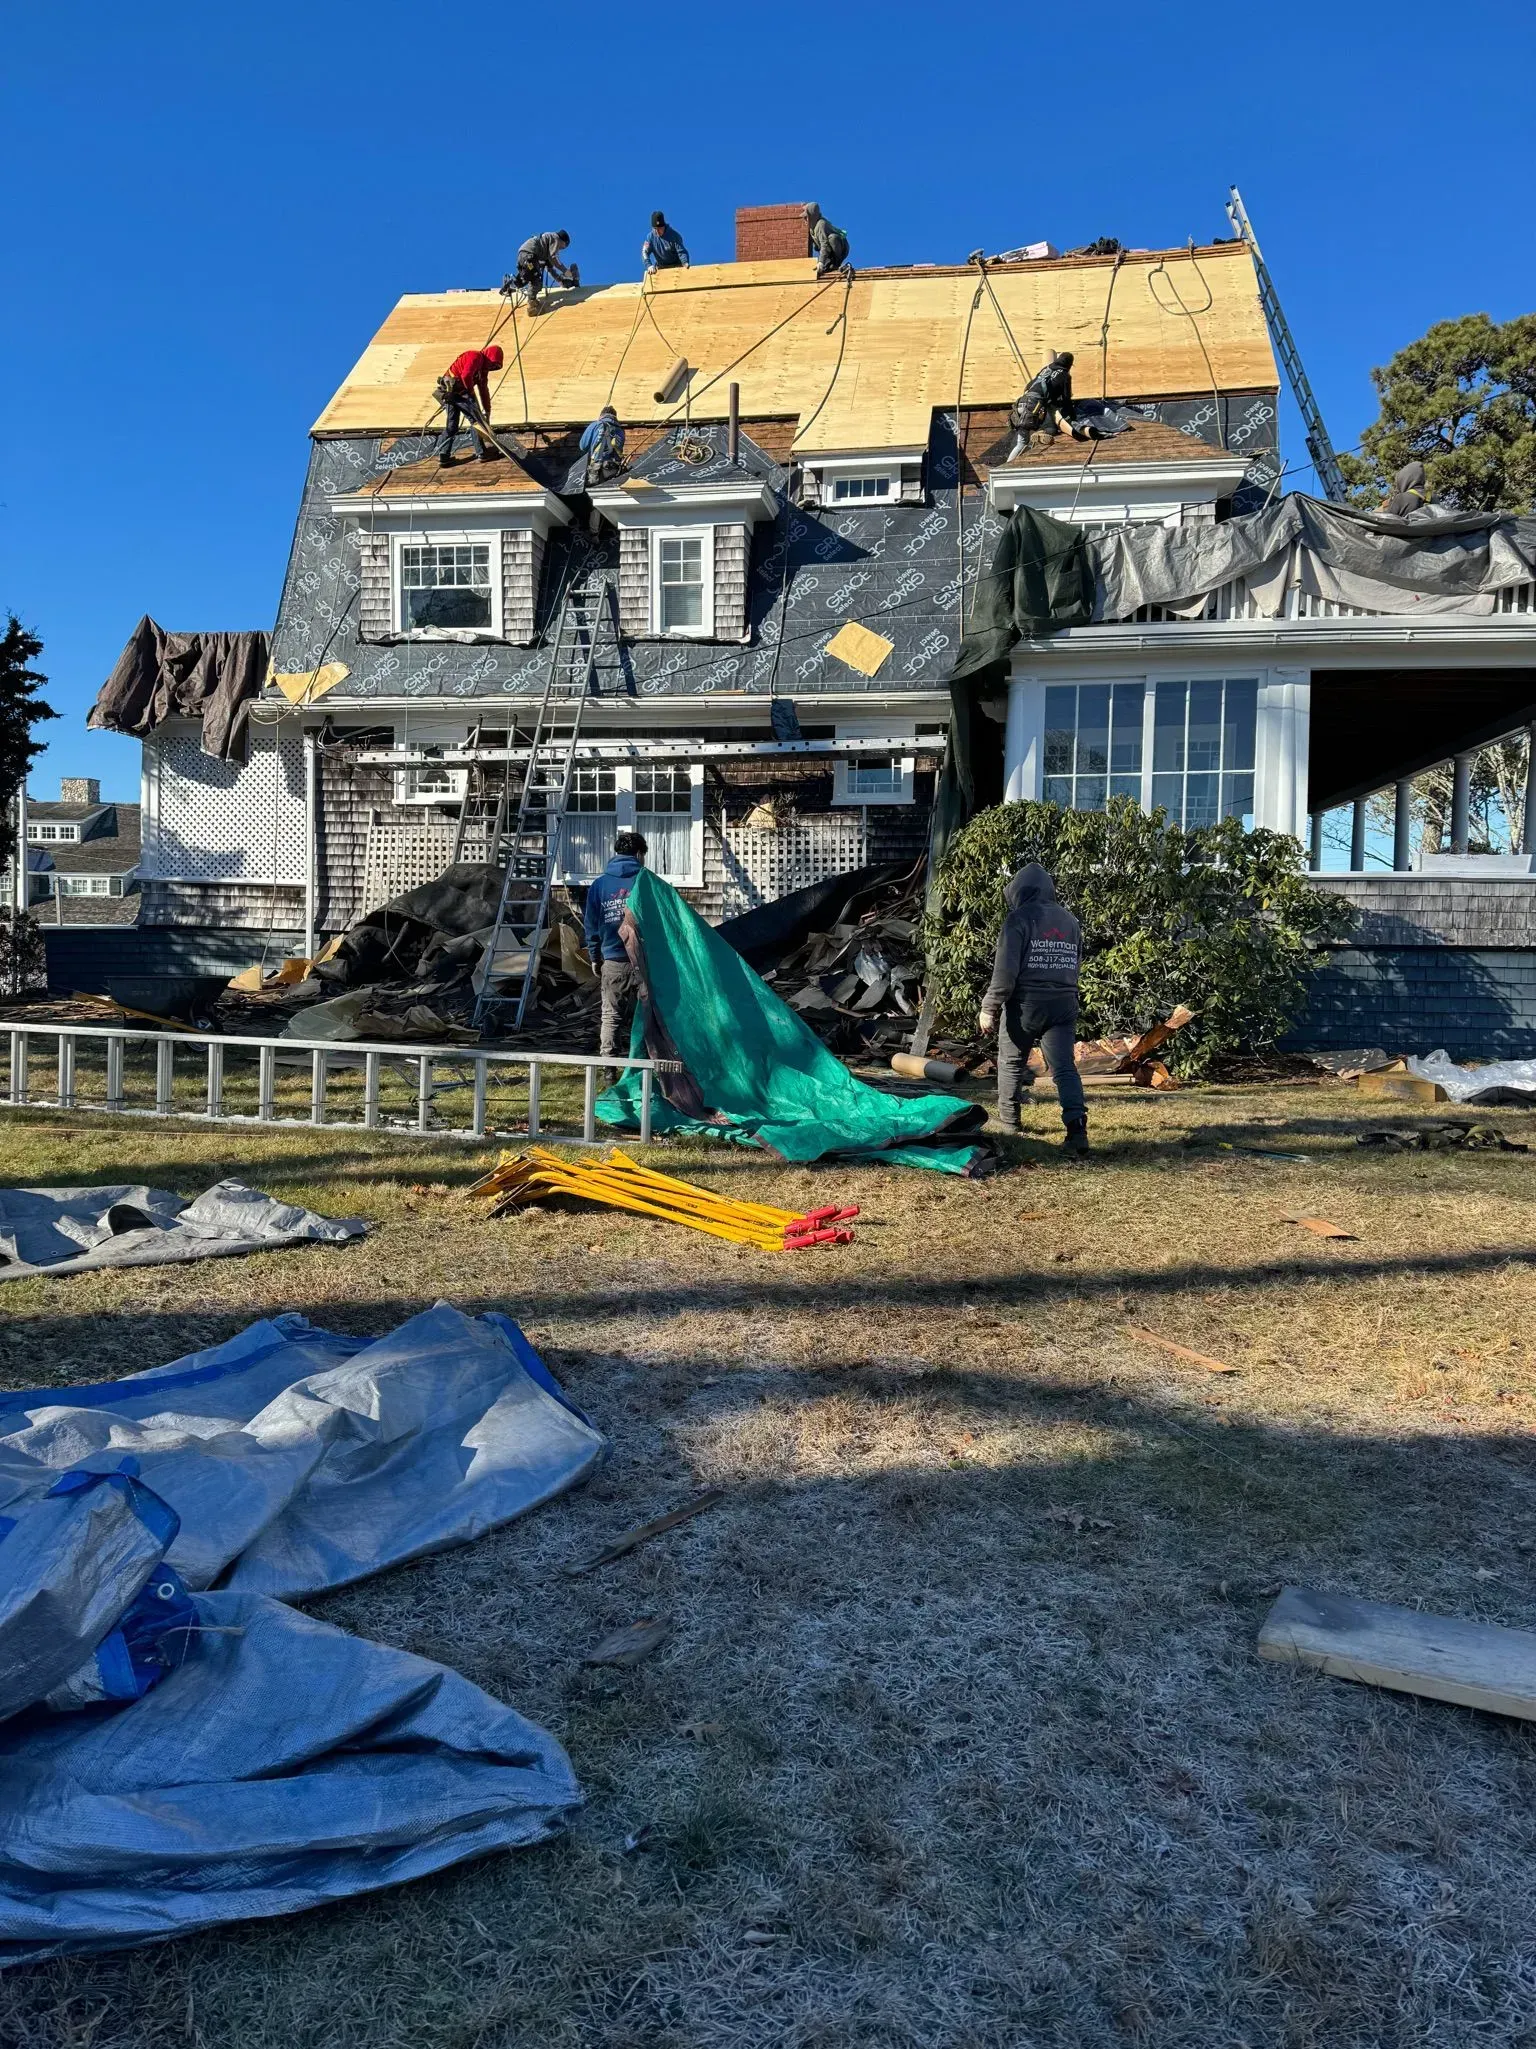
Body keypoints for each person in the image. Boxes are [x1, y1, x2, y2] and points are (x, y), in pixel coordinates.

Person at [978, 861, 1089, 1152]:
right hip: (1064, 1003)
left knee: (1011, 1062)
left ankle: (1010, 1123)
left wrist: (989, 1007)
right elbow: (1075, 965)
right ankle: (1077, 1129)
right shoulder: (1070, 920)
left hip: (1025, 1004)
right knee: (1064, 1067)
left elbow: (1005, 972)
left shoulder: (1019, 919)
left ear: (1019, 891)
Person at [584, 830, 648, 1067]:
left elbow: (591, 925)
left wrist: (595, 956)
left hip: (613, 960)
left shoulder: (599, 885)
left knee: (611, 1016)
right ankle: (643, 1068)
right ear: (639, 854)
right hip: (644, 961)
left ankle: (609, 1068)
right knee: (647, 1016)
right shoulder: (646, 881)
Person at [434, 344, 504, 466]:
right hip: (453, 391)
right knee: (475, 421)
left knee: (452, 424)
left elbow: (484, 390)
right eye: (492, 364)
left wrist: (487, 410)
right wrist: (470, 392)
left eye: (494, 366)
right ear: (489, 356)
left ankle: (444, 456)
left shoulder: (483, 371)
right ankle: (482, 453)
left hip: (453, 393)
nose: (491, 367)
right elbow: (466, 375)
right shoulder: (475, 356)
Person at [1010, 352, 1080, 448]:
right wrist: (1072, 417)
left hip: (1022, 402)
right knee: (1050, 428)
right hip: (1033, 407)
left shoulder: (1046, 369)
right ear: (1069, 364)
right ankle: (1042, 432)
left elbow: (1028, 386)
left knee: (1021, 442)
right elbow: (1066, 399)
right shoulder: (1065, 375)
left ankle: (1038, 434)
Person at [507, 230, 577, 314]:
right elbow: (553, 258)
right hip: (529, 256)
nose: (560, 249)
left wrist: (560, 281)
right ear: (563, 241)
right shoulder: (556, 238)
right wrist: (565, 271)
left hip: (524, 256)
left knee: (527, 276)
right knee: (535, 279)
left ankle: (511, 284)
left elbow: (550, 269)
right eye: (563, 247)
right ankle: (532, 306)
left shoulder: (546, 244)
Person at [579, 405, 626, 483]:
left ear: (601, 415)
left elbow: (583, 446)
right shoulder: (621, 431)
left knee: (594, 488)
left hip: (597, 468)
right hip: (615, 469)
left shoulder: (596, 425)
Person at [803, 202, 850, 278]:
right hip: (829, 250)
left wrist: (821, 262)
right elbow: (820, 247)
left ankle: (836, 263)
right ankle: (830, 263)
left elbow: (824, 244)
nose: (805, 220)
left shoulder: (821, 224)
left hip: (841, 247)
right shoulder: (812, 228)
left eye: (806, 217)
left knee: (832, 238)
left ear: (812, 216)